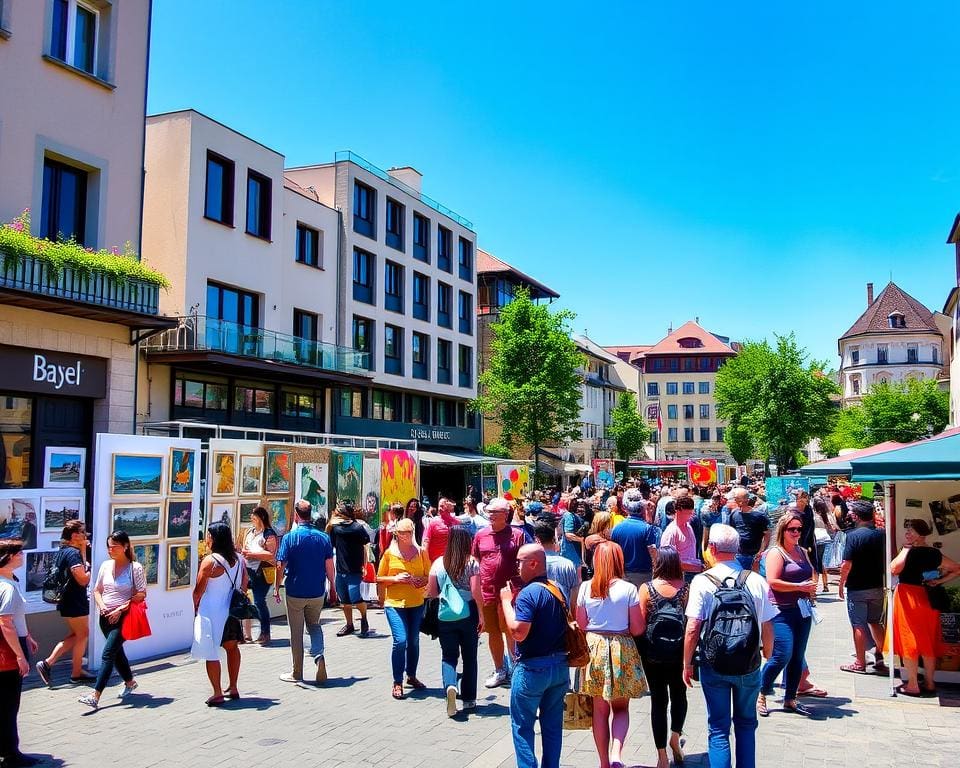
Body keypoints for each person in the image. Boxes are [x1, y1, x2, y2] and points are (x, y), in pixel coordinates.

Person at [682, 524, 777, 768]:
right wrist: (767, 654)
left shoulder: (702, 582)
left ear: (711, 548)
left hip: (715, 663)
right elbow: (767, 625)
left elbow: (693, 627)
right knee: (746, 723)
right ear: (737, 549)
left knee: (718, 728)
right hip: (748, 662)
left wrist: (687, 663)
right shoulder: (756, 581)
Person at [575, 541, 647, 768]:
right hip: (620, 647)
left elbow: (581, 624)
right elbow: (637, 628)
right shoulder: (628, 589)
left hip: (594, 648)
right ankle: (617, 753)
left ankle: (604, 762)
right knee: (620, 708)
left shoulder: (586, 587)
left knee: (599, 709)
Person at [500, 544, 569, 768]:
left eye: (519, 561)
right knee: (552, 726)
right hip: (559, 667)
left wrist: (505, 601)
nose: (516, 565)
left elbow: (518, 632)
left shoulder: (529, 593)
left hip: (532, 669)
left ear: (533, 563)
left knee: (522, 726)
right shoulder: (556, 588)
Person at [888, 519, 960, 696]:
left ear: (920, 534)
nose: (907, 533)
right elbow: (956, 568)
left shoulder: (908, 551)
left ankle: (912, 684)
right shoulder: (934, 553)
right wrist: (938, 580)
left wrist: (905, 549)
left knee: (909, 639)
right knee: (927, 641)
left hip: (908, 598)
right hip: (928, 597)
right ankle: (929, 682)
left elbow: (894, 569)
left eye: (911, 531)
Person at [78, 531, 146, 710]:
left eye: (115, 546)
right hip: (105, 617)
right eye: (109, 546)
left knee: (108, 653)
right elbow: (97, 590)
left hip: (124, 617)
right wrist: (102, 606)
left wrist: (119, 609)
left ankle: (95, 695)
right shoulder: (105, 566)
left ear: (125, 546)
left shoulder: (135, 568)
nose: (111, 550)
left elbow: (141, 594)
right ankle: (130, 682)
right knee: (116, 652)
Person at [757, 513, 817, 717]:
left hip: (802, 609)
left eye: (800, 529)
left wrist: (811, 589)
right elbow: (772, 581)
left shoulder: (802, 551)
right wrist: (798, 586)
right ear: (783, 530)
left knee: (797, 657)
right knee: (782, 654)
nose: (797, 533)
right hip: (781, 610)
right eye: (793, 529)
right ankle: (761, 692)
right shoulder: (776, 553)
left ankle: (790, 698)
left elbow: (811, 572)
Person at [275, 499, 336, 684]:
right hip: (317, 590)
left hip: (295, 590)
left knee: (296, 632)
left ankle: (297, 672)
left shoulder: (289, 538)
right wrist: (333, 586)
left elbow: (280, 564)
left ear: (295, 515)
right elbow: (329, 566)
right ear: (310, 514)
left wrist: (277, 587)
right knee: (314, 625)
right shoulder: (323, 538)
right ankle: (319, 656)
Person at [638, 547, 687, 768]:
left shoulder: (647, 589)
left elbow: (639, 625)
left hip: (653, 655)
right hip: (678, 654)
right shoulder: (685, 589)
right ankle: (675, 737)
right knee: (679, 695)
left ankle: (661, 757)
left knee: (658, 702)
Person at [426, 527, 482, 716]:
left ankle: (450, 685)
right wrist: (481, 614)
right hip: (469, 612)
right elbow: (476, 592)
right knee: (470, 657)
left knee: (449, 656)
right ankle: (469, 699)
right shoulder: (472, 563)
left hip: (445, 613)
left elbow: (432, 592)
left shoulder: (438, 563)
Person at [472, 497, 526, 688]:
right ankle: (500, 670)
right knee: (493, 632)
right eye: (489, 512)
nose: (491, 515)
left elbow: (524, 561)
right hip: (487, 591)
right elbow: (476, 560)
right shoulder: (480, 535)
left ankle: (516, 668)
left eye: (495, 512)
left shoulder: (517, 534)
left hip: (511, 592)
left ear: (506, 514)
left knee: (511, 631)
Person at [192, 523, 247, 706]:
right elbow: (244, 585)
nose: (206, 538)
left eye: (208, 535)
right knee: (232, 648)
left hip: (212, 612)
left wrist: (195, 607)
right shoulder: (239, 559)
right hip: (231, 610)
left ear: (214, 538)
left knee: (211, 651)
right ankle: (233, 686)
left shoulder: (210, 561)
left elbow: (198, 590)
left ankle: (217, 692)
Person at [377, 517, 431, 699]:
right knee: (400, 640)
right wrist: (395, 579)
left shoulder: (421, 552)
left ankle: (411, 675)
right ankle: (397, 681)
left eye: (408, 533)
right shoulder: (389, 554)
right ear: (396, 534)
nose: (404, 536)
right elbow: (378, 578)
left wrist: (419, 581)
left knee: (413, 640)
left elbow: (428, 576)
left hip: (416, 602)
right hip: (394, 603)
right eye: (401, 533)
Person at [36, 520, 93, 685]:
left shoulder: (64, 551)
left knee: (78, 634)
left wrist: (83, 549)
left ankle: (54, 665)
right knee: (82, 634)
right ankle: (70, 671)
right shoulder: (72, 554)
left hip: (67, 600)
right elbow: (82, 579)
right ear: (75, 535)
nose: (85, 535)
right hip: (75, 599)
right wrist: (89, 570)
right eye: (82, 533)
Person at [837, 500, 887, 675]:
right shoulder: (882, 534)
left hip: (857, 587)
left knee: (858, 624)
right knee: (875, 622)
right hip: (877, 586)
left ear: (857, 516)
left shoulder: (853, 536)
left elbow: (846, 564)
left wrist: (841, 584)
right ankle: (880, 657)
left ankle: (860, 662)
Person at [0, 539, 37, 768]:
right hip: (7, 651)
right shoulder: (7, 587)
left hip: (10, 645)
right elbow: (5, 623)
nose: (22, 556)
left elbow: (15, 619)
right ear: (7, 557)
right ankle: (10, 753)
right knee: (8, 704)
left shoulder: (9, 581)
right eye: (18, 553)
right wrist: (20, 656)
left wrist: (28, 635)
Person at [327, 502, 373, 638]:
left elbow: (366, 545)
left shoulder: (358, 527)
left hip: (354, 569)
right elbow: (333, 544)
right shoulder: (335, 529)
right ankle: (349, 624)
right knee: (344, 601)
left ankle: (364, 618)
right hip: (341, 569)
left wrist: (364, 565)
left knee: (355, 597)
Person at [239, 506, 278, 645]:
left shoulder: (268, 534)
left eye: (254, 517)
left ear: (261, 517)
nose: (252, 519)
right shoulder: (250, 532)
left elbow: (271, 554)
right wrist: (245, 553)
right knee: (245, 600)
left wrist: (252, 554)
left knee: (259, 601)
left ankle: (265, 632)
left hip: (262, 572)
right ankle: (245, 634)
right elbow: (244, 548)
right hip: (249, 570)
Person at [612, 488, 661, 587]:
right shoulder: (648, 529)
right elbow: (655, 553)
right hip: (644, 575)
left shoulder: (616, 529)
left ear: (625, 507)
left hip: (622, 575)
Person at [727, 488, 771, 572]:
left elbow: (767, 534)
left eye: (736, 498)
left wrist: (761, 551)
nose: (734, 500)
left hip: (753, 555)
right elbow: (732, 532)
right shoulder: (734, 514)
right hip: (737, 554)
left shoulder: (759, 516)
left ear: (742, 501)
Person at [534, 523, 579, 606]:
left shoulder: (533, 565)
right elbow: (574, 595)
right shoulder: (568, 564)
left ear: (537, 540)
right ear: (553, 539)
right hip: (563, 614)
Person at [660, 496, 702, 581]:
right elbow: (668, 561)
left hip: (691, 573)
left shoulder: (688, 526)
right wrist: (694, 567)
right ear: (678, 511)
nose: (690, 517)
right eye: (687, 514)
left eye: (691, 513)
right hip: (679, 576)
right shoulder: (671, 532)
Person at [559, 497, 585, 570]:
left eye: (576, 503)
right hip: (571, 551)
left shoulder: (573, 515)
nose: (575, 505)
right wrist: (581, 540)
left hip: (573, 551)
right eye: (573, 503)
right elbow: (568, 535)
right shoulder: (569, 516)